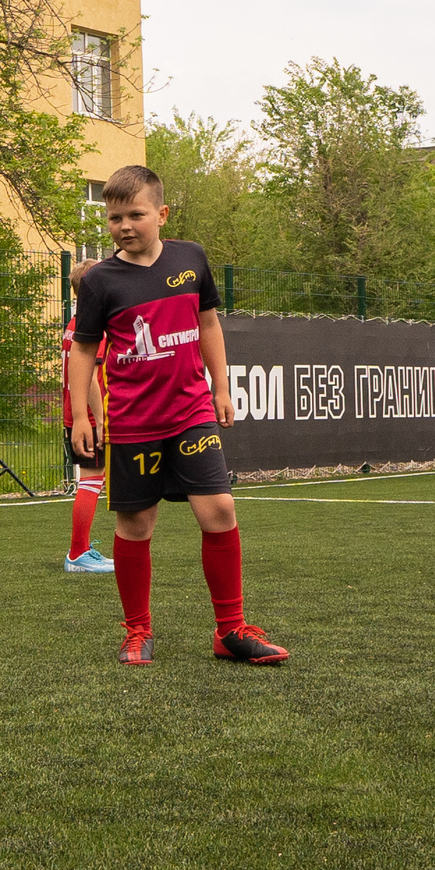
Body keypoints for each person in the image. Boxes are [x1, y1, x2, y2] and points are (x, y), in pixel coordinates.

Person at [65, 165, 285, 666]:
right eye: (114, 217)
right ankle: (137, 631)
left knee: (220, 512)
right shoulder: (99, 281)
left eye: (136, 215)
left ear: (161, 214)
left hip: (191, 414)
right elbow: (82, 350)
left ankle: (229, 631)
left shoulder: (191, 259)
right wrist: (82, 415)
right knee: (136, 525)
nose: (124, 225)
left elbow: (208, 322)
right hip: (132, 423)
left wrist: (221, 386)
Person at [59, 259, 113, 572]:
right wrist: (100, 418)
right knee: (92, 481)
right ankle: (78, 553)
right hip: (89, 419)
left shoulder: (73, 324)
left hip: (74, 414)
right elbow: (91, 378)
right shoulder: (94, 328)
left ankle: (81, 549)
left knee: (92, 480)